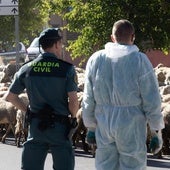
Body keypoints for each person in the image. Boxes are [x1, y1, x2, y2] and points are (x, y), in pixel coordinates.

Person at [82, 19, 165, 170]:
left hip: (104, 123)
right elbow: (151, 98)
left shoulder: (96, 59)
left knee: (105, 165)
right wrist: (155, 130)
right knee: (132, 165)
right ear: (133, 37)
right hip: (131, 124)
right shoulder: (140, 60)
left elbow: (88, 97)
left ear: (112, 37)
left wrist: (90, 127)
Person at [4, 28, 79, 170]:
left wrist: (28, 110)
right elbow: (74, 101)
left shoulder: (26, 69)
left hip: (37, 127)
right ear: (56, 44)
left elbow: (10, 97)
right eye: (61, 43)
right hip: (60, 128)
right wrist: (73, 117)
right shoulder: (66, 69)